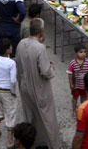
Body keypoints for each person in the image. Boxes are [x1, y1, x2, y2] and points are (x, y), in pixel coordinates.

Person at [15, 18, 61, 149]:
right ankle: (52, 144)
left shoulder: (21, 43)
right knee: (47, 119)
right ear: (41, 31)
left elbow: (18, 63)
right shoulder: (40, 48)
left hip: (25, 86)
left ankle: (31, 141)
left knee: (30, 115)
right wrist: (51, 68)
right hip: (39, 89)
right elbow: (46, 71)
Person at [67, 44, 88, 113]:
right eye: (81, 52)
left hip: (85, 85)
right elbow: (69, 74)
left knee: (83, 97)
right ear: (76, 53)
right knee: (75, 97)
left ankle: (82, 110)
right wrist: (71, 84)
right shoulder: (73, 63)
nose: (83, 54)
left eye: (85, 52)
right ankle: (73, 109)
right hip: (76, 85)